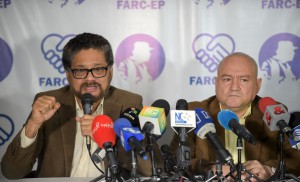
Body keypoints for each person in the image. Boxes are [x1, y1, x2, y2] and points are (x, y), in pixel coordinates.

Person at [1, 33, 160, 179]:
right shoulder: (50, 103)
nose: (90, 79)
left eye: (98, 69)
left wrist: (108, 134)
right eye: (80, 71)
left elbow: (150, 170)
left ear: (110, 71)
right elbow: (11, 172)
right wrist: (32, 126)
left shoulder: (129, 103)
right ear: (68, 73)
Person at [170, 52, 300, 181]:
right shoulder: (193, 112)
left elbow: (295, 159)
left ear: (257, 85)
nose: (234, 87)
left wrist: (269, 169)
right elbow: (175, 161)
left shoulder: (273, 112)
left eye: (244, 80)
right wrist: (210, 169)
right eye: (227, 79)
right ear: (216, 83)